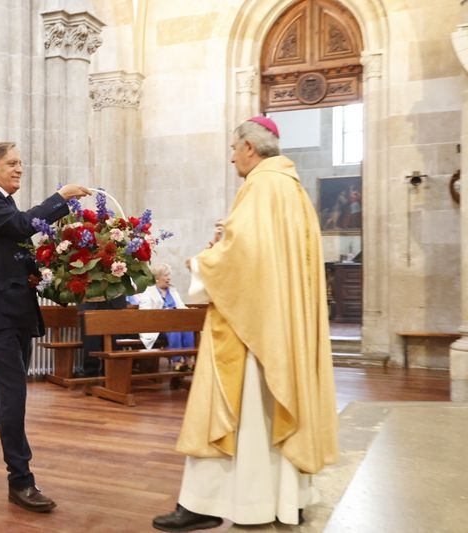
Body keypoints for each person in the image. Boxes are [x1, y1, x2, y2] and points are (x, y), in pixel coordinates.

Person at [152, 116, 338, 531]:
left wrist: (201, 263)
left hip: (251, 332)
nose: (233, 156)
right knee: (272, 412)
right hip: (281, 328)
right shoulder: (292, 189)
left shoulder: (259, 187)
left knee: (230, 408)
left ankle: (203, 503)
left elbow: (243, 256)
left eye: (234, 148)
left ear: (250, 148)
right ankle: (288, 497)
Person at [0, 141, 90, 513]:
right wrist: (59, 198)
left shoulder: (5, 203)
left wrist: (65, 282)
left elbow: (21, 258)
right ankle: (21, 481)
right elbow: (20, 226)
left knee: (6, 391)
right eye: (11, 163)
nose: (19, 168)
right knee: (15, 393)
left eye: (20, 163)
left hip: (15, 311)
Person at [137, 263, 195, 370]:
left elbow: (181, 307)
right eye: (166, 275)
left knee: (187, 328)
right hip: (156, 327)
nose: (169, 278)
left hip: (175, 324)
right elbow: (144, 314)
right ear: (157, 278)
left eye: (169, 275)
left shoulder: (173, 291)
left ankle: (189, 359)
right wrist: (163, 313)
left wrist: (190, 311)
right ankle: (177, 361)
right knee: (174, 329)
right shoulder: (148, 292)